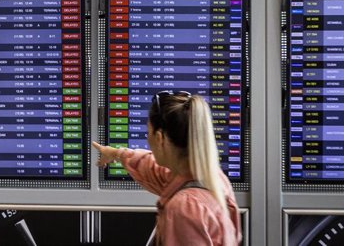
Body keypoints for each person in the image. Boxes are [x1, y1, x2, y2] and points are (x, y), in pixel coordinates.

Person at [93, 91, 241, 246]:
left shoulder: (185, 208)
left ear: (159, 137)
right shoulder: (211, 178)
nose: (147, 138)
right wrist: (116, 153)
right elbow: (150, 166)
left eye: (148, 132)